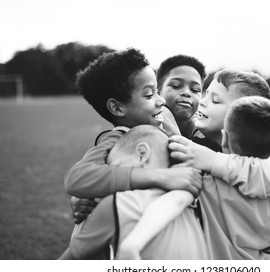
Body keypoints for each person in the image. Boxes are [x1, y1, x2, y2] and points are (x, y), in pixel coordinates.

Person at [64, 48, 202, 239]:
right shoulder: (118, 139)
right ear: (117, 107)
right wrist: (160, 176)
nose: (160, 101)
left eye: (157, 92)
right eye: (149, 95)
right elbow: (77, 178)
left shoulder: (165, 124)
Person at [167, 70, 270, 259]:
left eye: (215, 100)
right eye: (205, 93)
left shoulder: (263, 169)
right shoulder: (199, 144)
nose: (202, 101)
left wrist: (211, 160)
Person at [59, 125, 208, 260]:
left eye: (117, 168)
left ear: (142, 154)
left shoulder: (119, 205)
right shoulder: (198, 199)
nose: (112, 183)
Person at [157, 54, 207, 138]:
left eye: (195, 89)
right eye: (176, 85)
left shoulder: (206, 132)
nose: (186, 93)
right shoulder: (146, 128)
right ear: (158, 90)